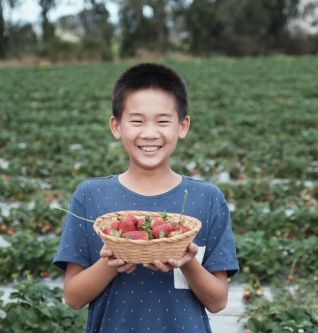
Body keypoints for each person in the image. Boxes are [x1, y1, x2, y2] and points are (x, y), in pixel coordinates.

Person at [52, 63, 239, 333]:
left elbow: (218, 301)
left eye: (163, 121)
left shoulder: (206, 199)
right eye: (137, 121)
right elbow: (73, 297)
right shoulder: (90, 196)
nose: (150, 133)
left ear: (182, 126)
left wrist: (187, 262)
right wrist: (110, 262)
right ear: (116, 126)